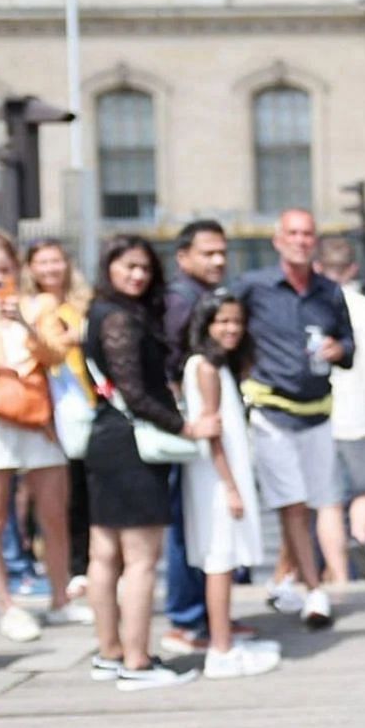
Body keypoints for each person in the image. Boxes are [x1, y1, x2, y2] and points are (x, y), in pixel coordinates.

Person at [82, 235, 222, 688]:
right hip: (130, 446)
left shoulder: (100, 311)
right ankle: (137, 661)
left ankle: (110, 652)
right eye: (128, 266)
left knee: (104, 554)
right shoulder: (119, 317)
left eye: (144, 267)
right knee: (140, 560)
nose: (138, 274)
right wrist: (185, 427)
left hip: (105, 439)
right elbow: (137, 394)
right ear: (110, 267)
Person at [235, 208, 354, 630]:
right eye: (294, 233)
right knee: (294, 505)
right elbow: (224, 330)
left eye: (308, 233)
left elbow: (349, 347)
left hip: (318, 412)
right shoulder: (253, 287)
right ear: (277, 239)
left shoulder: (328, 292)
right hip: (271, 411)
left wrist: (339, 350)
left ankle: (284, 577)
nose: (301, 240)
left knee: (312, 503)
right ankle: (314, 588)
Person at [0, 230, 85, 642]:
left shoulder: (37, 305)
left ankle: (60, 597)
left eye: (3, 269)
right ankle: (6, 603)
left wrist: (24, 322)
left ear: (18, 270)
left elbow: (57, 354)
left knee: (53, 513)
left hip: (39, 417)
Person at [181, 294, 280, 679]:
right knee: (219, 560)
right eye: (221, 321)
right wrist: (232, 487)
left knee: (221, 559)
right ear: (205, 324)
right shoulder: (205, 366)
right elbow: (213, 432)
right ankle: (220, 649)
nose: (231, 329)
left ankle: (225, 639)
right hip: (217, 479)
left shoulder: (215, 365)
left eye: (236, 321)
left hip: (220, 477)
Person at [159, 219, 228, 648]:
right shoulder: (180, 301)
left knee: (203, 520)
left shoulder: (201, 296)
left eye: (222, 251)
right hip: (189, 430)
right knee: (188, 522)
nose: (218, 259)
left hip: (201, 425)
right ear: (183, 257)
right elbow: (169, 367)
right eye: (208, 253)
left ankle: (204, 616)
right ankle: (187, 619)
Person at [21, 237, 98, 612]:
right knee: (52, 495)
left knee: (82, 487)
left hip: (85, 401)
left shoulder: (83, 304)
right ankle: (56, 568)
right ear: (31, 268)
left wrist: (79, 337)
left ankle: (80, 566)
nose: (51, 268)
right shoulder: (27, 306)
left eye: (56, 261)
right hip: (42, 406)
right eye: (43, 262)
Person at [317, 235, 365, 581]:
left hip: (322, 414)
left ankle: (336, 571)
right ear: (353, 269)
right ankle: (358, 537)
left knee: (327, 498)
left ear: (318, 267)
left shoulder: (316, 308)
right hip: (362, 413)